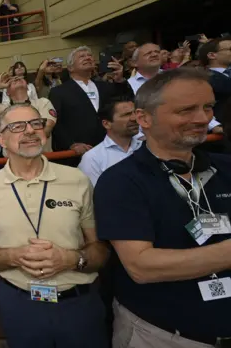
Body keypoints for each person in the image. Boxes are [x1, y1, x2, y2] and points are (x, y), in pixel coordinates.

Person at [95, 68, 231, 347]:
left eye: (208, 107)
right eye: (186, 110)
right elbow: (142, 267)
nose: (202, 118)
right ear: (144, 118)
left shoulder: (227, 168)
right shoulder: (119, 181)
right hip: (163, 334)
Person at [0, 103, 110, 347]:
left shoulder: (76, 179)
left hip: (79, 305)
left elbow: (100, 249)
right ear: (1, 139)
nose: (29, 131)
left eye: (36, 123)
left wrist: (71, 260)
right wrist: (14, 256)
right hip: (21, 306)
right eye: (17, 126)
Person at [49, 46, 131, 166]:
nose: (87, 58)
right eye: (82, 56)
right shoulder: (59, 92)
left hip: (111, 150)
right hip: (78, 155)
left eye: (90, 56)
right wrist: (71, 144)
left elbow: (128, 102)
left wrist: (120, 80)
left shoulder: (106, 86)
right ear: (70, 67)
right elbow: (56, 123)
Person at [0, 72, 57, 153]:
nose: (17, 78)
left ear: (28, 87)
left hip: (41, 157)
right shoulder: (4, 109)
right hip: (15, 160)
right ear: (7, 92)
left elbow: (47, 128)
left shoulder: (42, 102)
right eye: (12, 80)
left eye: (21, 78)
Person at [78, 96, 142, 186]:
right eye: (126, 115)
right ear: (107, 124)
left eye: (135, 113)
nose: (134, 118)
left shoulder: (148, 146)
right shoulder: (93, 159)